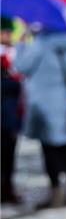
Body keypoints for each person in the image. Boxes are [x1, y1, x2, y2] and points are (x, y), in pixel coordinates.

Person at [13, 23, 66, 207]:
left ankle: (56, 194)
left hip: (44, 104)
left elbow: (21, 66)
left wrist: (21, 43)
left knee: (49, 149)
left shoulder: (41, 43)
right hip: (64, 100)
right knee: (65, 147)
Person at [1, 17, 23, 203]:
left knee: (9, 156)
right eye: (4, 32)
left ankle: (7, 189)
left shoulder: (15, 51)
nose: (7, 36)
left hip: (10, 115)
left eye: (9, 32)